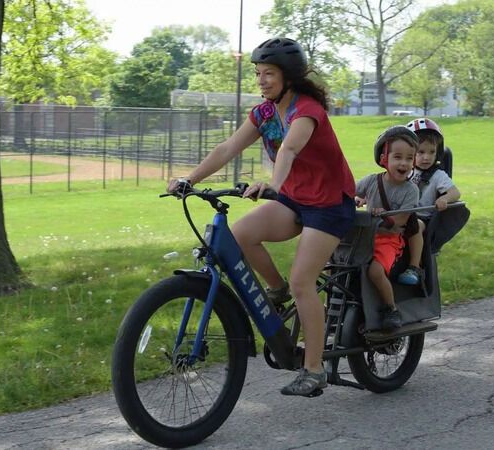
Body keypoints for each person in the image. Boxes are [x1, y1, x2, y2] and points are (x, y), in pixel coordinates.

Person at [166, 37, 356, 397]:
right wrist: (190, 179)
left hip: (329, 205)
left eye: (268, 73)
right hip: (295, 200)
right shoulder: (265, 112)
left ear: (289, 76)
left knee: (304, 280)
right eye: (258, 73)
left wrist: (273, 184)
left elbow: (290, 148)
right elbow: (227, 147)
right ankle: (276, 289)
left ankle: (314, 370)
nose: (261, 80)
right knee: (238, 236)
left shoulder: (308, 109)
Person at [354, 126, 420, 330]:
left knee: (375, 271)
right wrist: (355, 199)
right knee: (334, 263)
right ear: (384, 158)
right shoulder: (371, 181)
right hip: (365, 235)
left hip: (389, 239)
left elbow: (401, 220)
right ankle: (335, 308)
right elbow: (348, 194)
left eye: (409, 158)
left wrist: (383, 216)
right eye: (398, 157)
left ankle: (391, 309)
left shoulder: (411, 191)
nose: (404, 163)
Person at [397, 118, 461, 286]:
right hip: (399, 214)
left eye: (432, 152)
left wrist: (444, 198)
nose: (427, 157)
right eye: (421, 152)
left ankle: (414, 267)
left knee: (415, 226)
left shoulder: (438, 176)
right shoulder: (403, 170)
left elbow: (455, 192)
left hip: (421, 218)